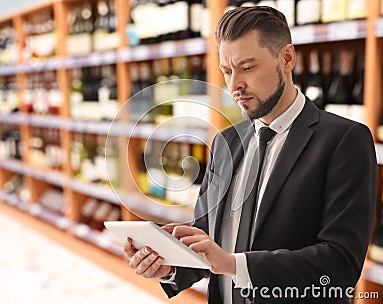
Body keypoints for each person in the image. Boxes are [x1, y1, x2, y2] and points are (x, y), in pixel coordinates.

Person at [124, 6, 377, 304]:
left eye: (247, 67)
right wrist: (171, 264)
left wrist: (234, 264)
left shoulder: (344, 140)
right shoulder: (225, 143)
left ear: (286, 58)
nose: (234, 86)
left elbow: (341, 262)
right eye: (227, 72)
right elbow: (209, 239)